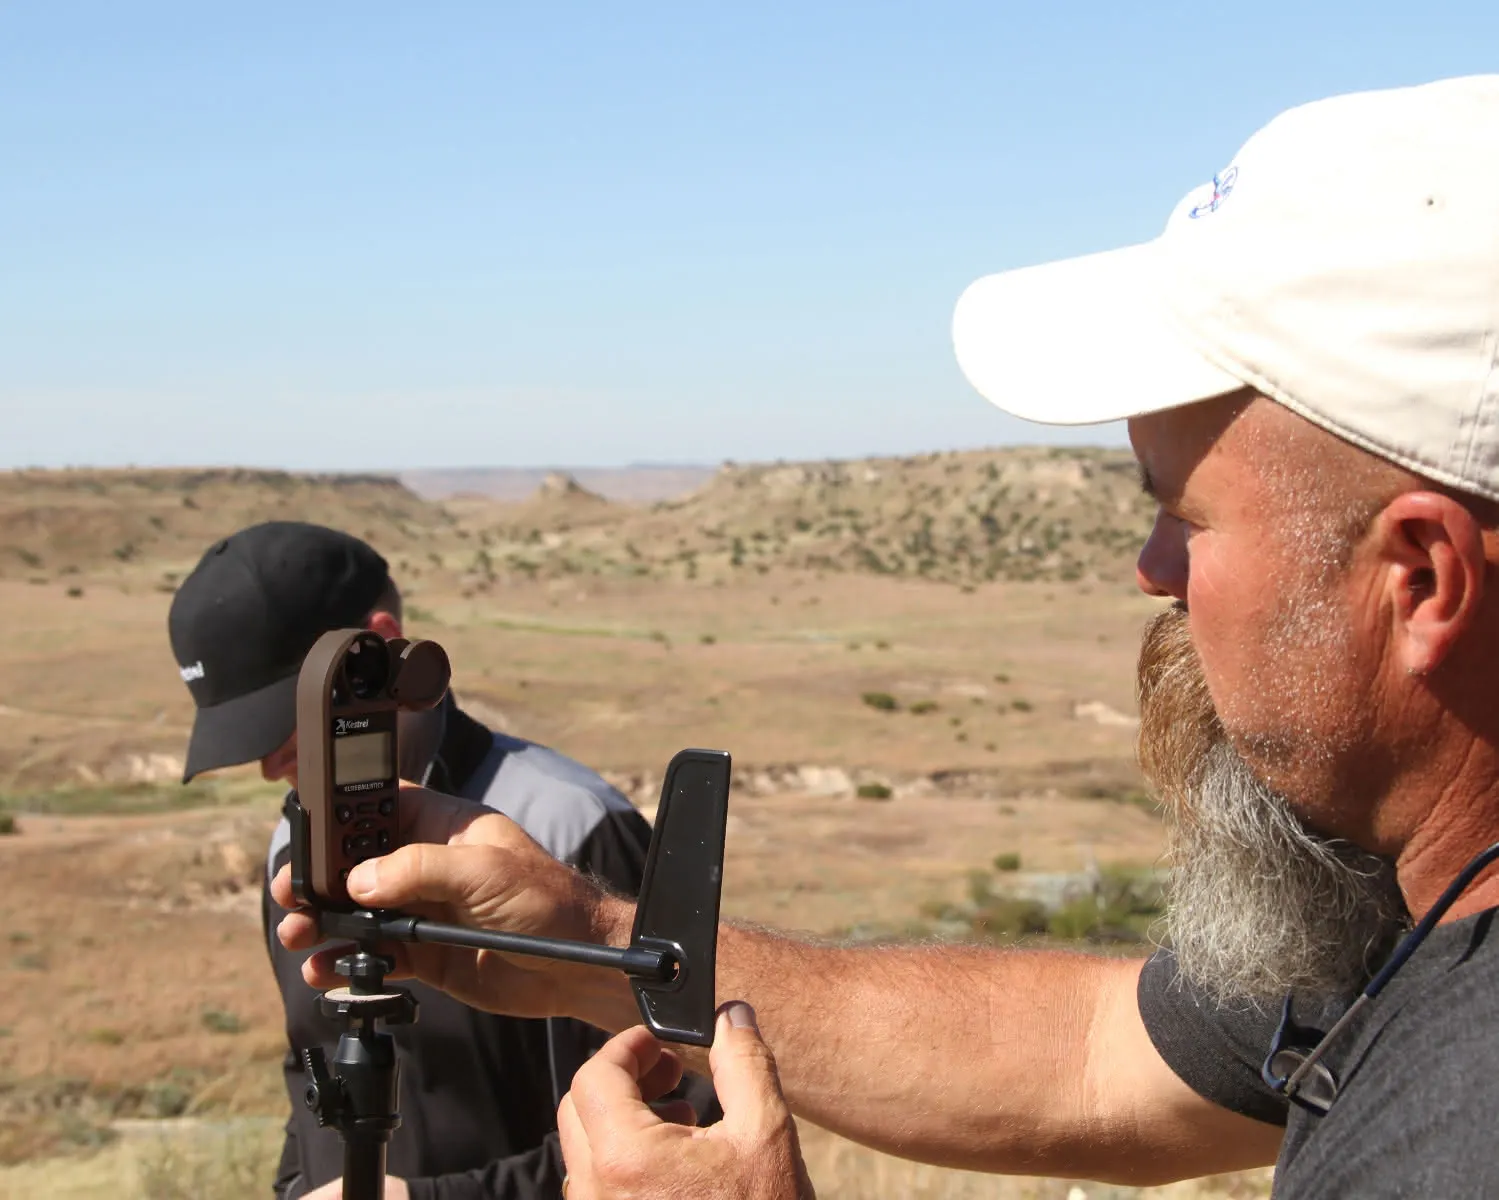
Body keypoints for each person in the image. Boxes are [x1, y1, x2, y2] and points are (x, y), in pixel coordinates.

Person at [275, 74, 1499, 1198]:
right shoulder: (1407, 910)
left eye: (1183, 517)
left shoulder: (1458, 1135)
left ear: (1418, 578)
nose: (1149, 571)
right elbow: (1088, 1059)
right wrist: (589, 947)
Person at [168, 520, 716, 1200]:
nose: (266, 764)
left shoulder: (569, 825)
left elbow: (682, 1115)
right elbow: (310, 1065)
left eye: (282, 716)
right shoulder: (296, 841)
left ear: (379, 648)